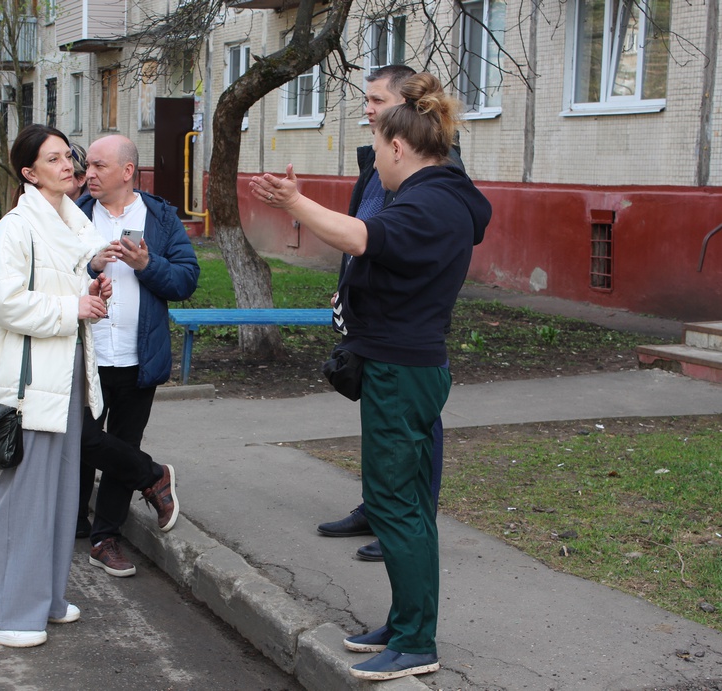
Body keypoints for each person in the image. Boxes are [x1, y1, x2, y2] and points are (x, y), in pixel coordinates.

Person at [249, 73, 492, 682]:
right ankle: (406, 621)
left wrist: (293, 203)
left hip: (401, 369)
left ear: (401, 148)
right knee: (401, 501)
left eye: (378, 149)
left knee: (394, 504)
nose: (375, 163)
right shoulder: (446, 193)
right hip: (404, 363)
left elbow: (362, 236)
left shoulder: (430, 202)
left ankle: (415, 640)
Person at [0, 124, 118, 648]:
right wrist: (70, 307)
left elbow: (58, 289)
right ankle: (2, 616)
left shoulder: (68, 225)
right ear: (30, 173)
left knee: (57, 493)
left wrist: (90, 294)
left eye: (68, 156)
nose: (69, 166)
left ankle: (44, 598)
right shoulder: (16, 226)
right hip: (28, 382)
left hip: (63, 375)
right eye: (54, 160)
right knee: (25, 495)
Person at [317, 64, 469, 562]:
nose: (367, 108)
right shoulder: (377, 160)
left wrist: (294, 202)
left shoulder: (434, 171)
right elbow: (362, 229)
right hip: (372, 321)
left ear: (407, 108)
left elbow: (390, 239)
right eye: (367, 99)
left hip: (408, 335)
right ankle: (377, 506)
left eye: (377, 100)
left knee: (414, 431)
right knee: (381, 424)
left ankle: (404, 519)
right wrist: (347, 291)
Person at [74, 134, 200, 577]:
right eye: (86, 165)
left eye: (98, 166)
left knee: (122, 445)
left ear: (127, 171)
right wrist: (90, 268)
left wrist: (148, 266)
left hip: (137, 356)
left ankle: (105, 536)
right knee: (83, 441)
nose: (87, 174)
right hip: (85, 355)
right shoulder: (74, 215)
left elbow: (186, 280)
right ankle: (151, 475)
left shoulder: (162, 218)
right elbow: (49, 274)